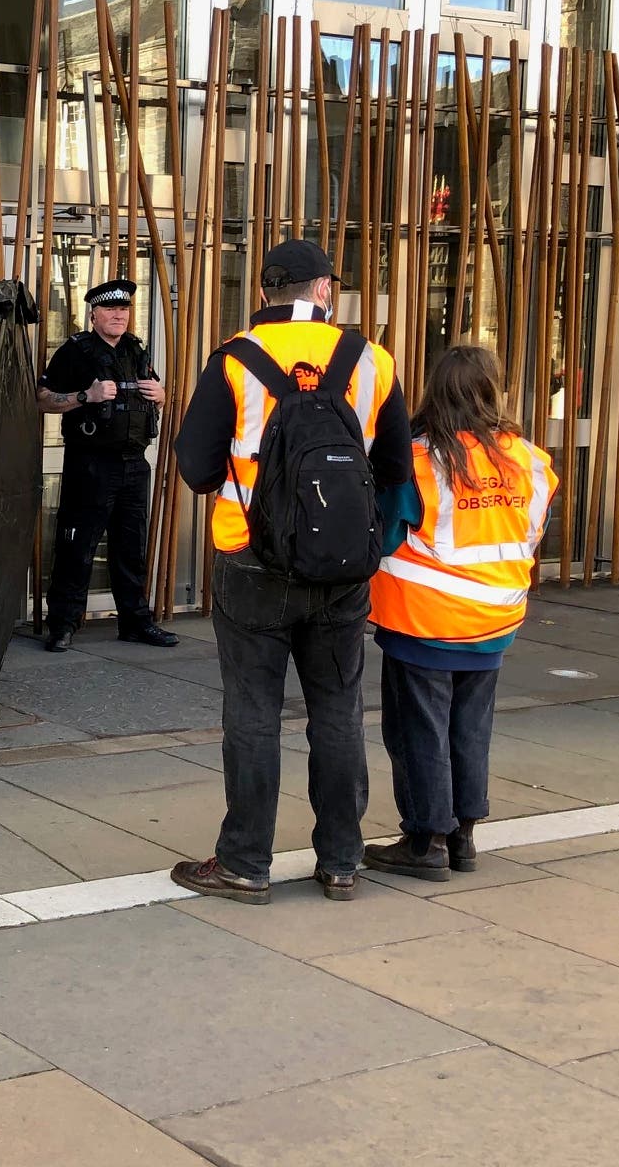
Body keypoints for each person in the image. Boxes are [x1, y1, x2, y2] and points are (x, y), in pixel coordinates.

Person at [170, 239, 412, 905]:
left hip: (251, 562)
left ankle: (245, 863)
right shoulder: (372, 361)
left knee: (252, 713)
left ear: (266, 292)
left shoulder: (233, 360)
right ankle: (340, 861)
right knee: (337, 711)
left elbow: (194, 468)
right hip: (342, 569)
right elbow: (394, 470)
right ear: (325, 291)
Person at [362, 345, 554, 880]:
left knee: (419, 732)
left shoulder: (421, 462)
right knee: (470, 730)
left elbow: (385, 535)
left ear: (435, 390)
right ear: (493, 392)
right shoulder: (529, 460)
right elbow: (529, 535)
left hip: (424, 622)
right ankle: (464, 836)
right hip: (494, 622)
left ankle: (426, 840)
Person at [36, 278, 178, 652]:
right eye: (111, 309)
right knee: (77, 546)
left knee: (132, 548)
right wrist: (87, 395)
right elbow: (43, 398)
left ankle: (135, 622)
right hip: (91, 463)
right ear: (94, 314)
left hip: (134, 462)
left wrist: (161, 396)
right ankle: (62, 625)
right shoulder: (76, 351)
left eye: (125, 309)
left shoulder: (136, 350)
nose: (119, 315)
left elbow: (154, 394)